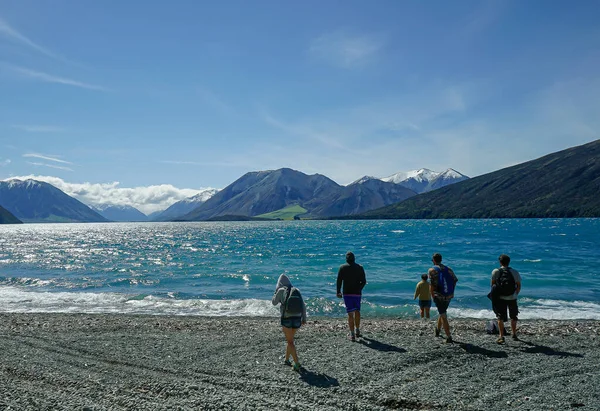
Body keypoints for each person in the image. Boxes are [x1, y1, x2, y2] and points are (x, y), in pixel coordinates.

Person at [272, 274, 307, 371]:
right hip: (297, 318)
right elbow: (303, 305)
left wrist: (276, 293)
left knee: (290, 341)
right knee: (290, 340)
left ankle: (296, 363)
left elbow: (274, 302)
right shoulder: (296, 290)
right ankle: (287, 359)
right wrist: (304, 318)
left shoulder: (281, 290)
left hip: (286, 318)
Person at [491, 254, 522, 344]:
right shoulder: (515, 272)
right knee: (514, 316)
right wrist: (515, 294)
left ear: (500, 262)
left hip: (500, 297)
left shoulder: (495, 271)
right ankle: (514, 334)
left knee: (500, 317)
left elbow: (492, 285)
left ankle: (501, 336)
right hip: (512, 297)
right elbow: (519, 285)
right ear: (509, 262)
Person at [336, 251, 367, 342]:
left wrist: (338, 291)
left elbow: (339, 281)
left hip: (347, 293)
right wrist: (359, 288)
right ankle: (357, 330)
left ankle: (352, 334)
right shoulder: (359, 267)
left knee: (350, 314)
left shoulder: (342, 268)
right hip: (357, 293)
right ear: (354, 259)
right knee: (357, 311)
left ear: (346, 259)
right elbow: (364, 281)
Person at [428, 253, 458, 343]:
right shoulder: (448, 269)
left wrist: (432, 296)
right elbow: (455, 280)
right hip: (448, 295)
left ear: (433, 260)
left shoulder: (432, 270)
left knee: (443, 315)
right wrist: (452, 292)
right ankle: (437, 330)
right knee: (442, 312)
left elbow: (432, 285)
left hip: (439, 296)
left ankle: (449, 336)